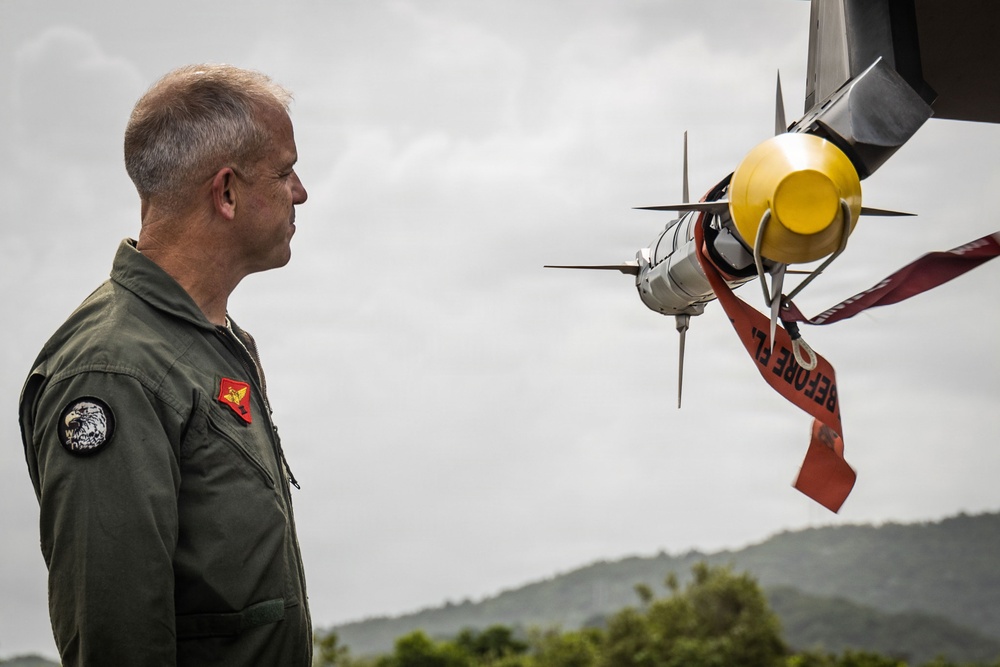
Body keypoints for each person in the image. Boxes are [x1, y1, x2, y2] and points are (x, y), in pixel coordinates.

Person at [18, 64, 312, 666]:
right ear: (226, 191)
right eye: (284, 172)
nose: (300, 191)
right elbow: (116, 639)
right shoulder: (114, 372)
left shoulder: (209, 341)